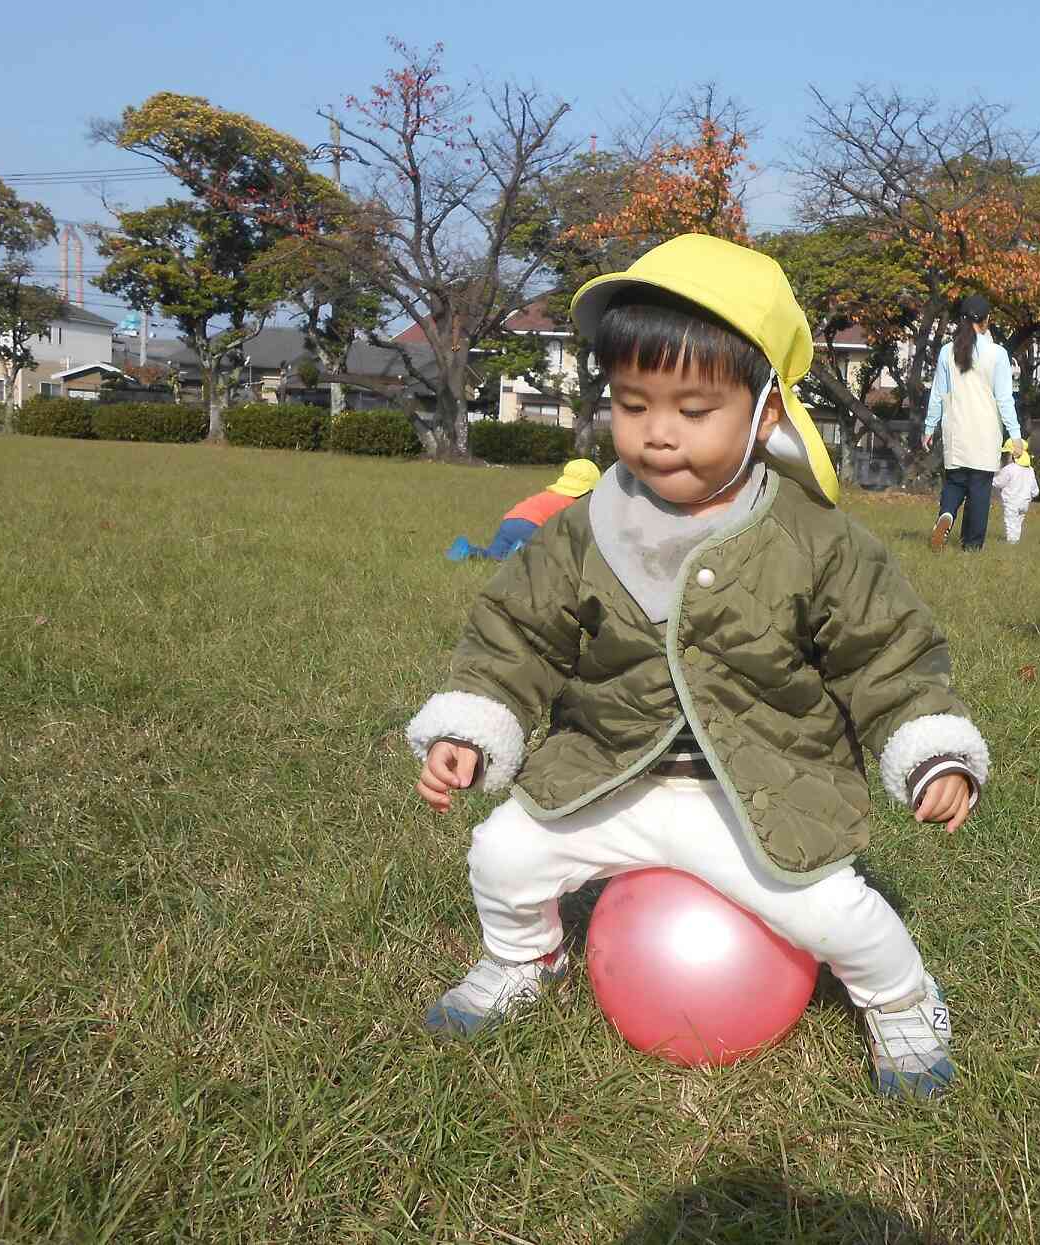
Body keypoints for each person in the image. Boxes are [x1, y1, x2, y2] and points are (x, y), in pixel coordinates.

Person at [406, 234, 991, 1099]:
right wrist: (470, 724)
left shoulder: (811, 539)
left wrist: (930, 748)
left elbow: (886, 652)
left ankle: (901, 1001)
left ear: (763, 415)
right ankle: (523, 960)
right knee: (503, 854)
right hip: (607, 777)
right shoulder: (584, 528)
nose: (658, 434)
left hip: (754, 793)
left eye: (692, 409)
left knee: (832, 911)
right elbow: (516, 635)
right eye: (634, 405)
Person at [921, 294, 1024, 551]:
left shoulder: (947, 351)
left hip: (955, 430)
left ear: (962, 319)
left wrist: (928, 427)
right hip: (986, 433)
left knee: (955, 483)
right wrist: (1015, 435)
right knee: (979, 490)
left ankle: (946, 515)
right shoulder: (998, 354)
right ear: (987, 320)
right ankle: (971, 547)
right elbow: (1004, 399)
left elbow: (937, 394)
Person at [444, 459, 601, 561]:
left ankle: (467, 551)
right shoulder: (575, 504)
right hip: (532, 526)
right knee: (542, 556)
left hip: (510, 520)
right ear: (590, 490)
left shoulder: (550, 495)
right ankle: (520, 555)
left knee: (493, 556)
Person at [991, 437, 1040, 544]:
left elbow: (999, 482)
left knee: (1010, 521)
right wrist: (1033, 494)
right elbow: (1035, 489)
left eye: (1007, 454)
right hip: (1025, 502)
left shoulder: (1009, 469)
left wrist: (991, 480)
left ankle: (1011, 541)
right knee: (1018, 522)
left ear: (1013, 455)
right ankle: (1016, 539)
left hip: (1012, 502)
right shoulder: (1030, 470)